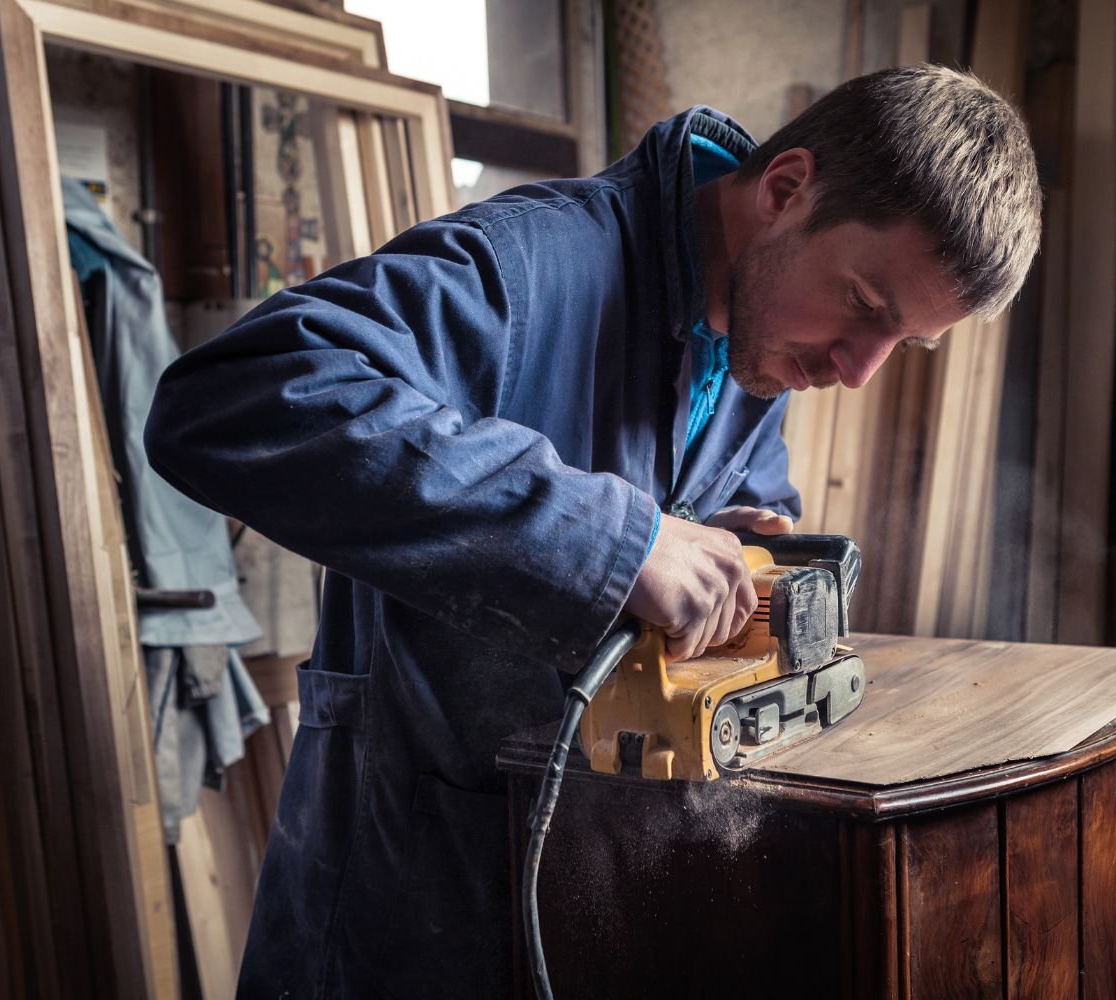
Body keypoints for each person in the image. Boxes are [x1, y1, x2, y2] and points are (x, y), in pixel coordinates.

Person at [145, 64, 1041, 998]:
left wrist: (730, 542)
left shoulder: (764, 333)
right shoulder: (528, 267)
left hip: (600, 898)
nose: (861, 372)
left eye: (906, 343)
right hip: (408, 903)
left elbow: (709, 511)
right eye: (865, 306)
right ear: (785, 191)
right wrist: (621, 539)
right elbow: (232, 399)